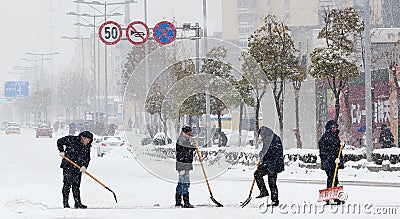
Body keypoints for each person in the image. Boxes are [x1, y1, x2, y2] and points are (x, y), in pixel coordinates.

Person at [57, 131, 93, 209]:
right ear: (82, 138)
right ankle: (66, 203)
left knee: (76, 186)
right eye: (87, 139)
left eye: (89, 140)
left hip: (78, 168)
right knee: (67, 185)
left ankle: (77, 203)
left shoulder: (87, 146)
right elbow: (59, 141)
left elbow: (87, 158)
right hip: (68, 166)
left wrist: (84, 166)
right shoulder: (71, 139)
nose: (88, 141)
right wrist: (61, 151)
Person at [254, 126, 284, 206]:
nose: (261, 137)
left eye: (261, 135)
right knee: (271, 182)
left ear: (264, 133)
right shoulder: (272, 137)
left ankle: (265, 193)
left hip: (272, 164)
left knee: (259, 174)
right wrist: (262, 154)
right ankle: (273, 199)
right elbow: (267, 151)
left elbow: (269, 152)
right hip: (274, 164)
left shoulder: (269, 139)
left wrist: (263, 155)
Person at [318, 120, 344, 205]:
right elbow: (327, 150)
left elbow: (336, 148)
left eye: (336, 127)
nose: (335, 129)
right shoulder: (326, 137)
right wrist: (332, 159)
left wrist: (341, 145)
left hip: (333, 162)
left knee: (334, 179)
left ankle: (332, 197)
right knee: (331, 179)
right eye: (333, 128)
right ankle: (331, 197)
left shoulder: (334, 136)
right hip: (329, 163)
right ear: (330, 128)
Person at [175, 125, 195, 208]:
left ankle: (178, 201)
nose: (191, 134)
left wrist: (192, 147)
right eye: (189, 132)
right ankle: (186, 202)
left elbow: (188, 150)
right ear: (185, 133)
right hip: (183, 165)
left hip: (182, 165)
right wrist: (192, 147)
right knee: (185, 183)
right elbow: (185, 152)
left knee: (181, 183)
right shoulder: (182, 141)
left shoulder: (184, 139)